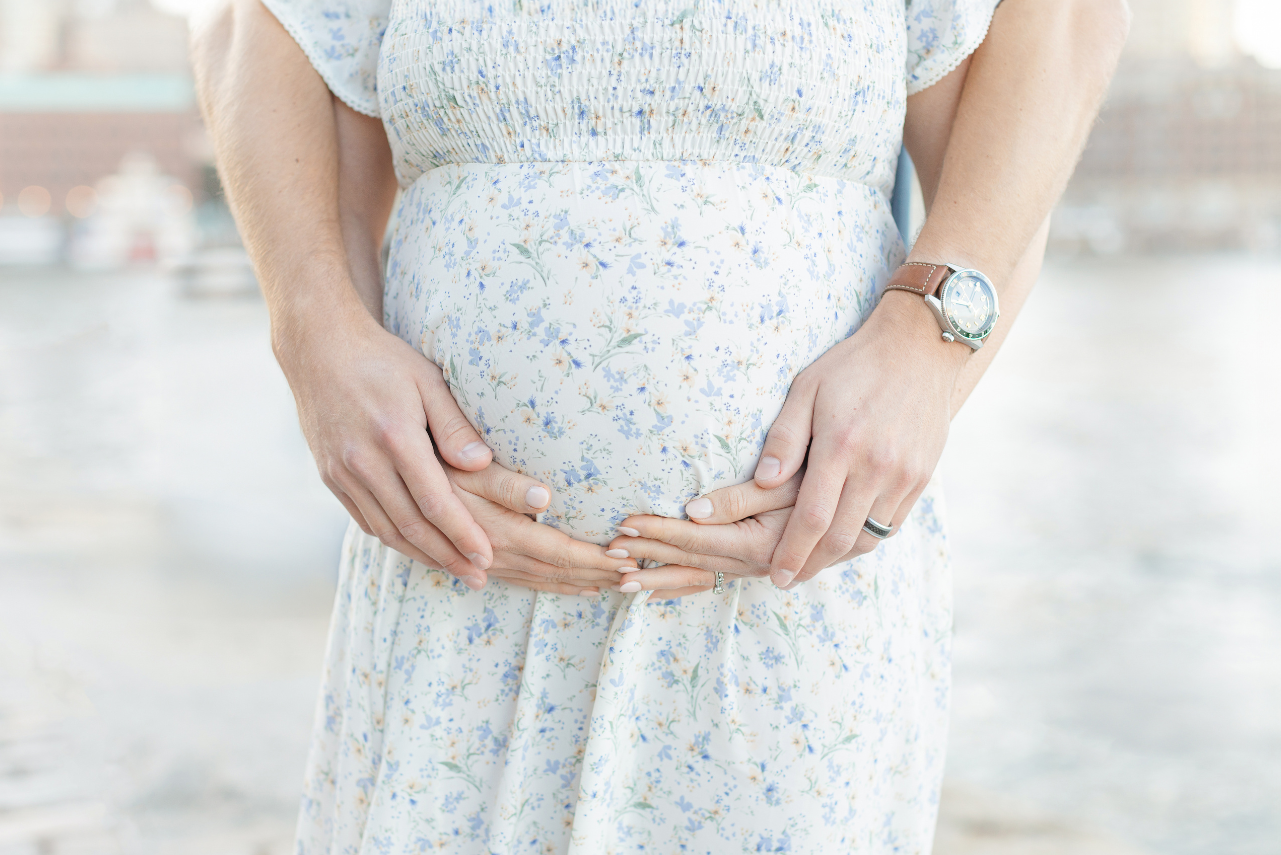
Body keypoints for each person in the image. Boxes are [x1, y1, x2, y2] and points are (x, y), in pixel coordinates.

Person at [192, 0, 1127, 850]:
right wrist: (313, 333)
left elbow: (1061, 23)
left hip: (784, 613)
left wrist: (928, 352)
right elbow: (258, 22)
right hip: (453, 602)